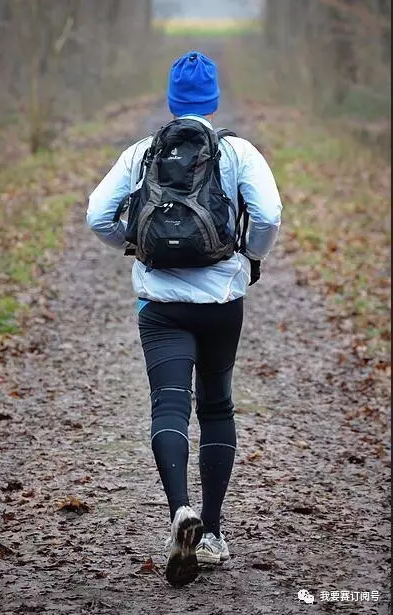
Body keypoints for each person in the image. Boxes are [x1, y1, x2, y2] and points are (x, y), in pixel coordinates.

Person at [86, 50, 282, 587]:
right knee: (216, 406)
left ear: (172, 100)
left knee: (168, 406)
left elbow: (96, 213)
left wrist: (132, 239)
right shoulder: (237, 151)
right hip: (222, 301)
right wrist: (250, 256)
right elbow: (267, 215)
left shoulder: (142, 152)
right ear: (213, 100)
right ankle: (213, 534)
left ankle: (180, 511)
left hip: (160, 305)